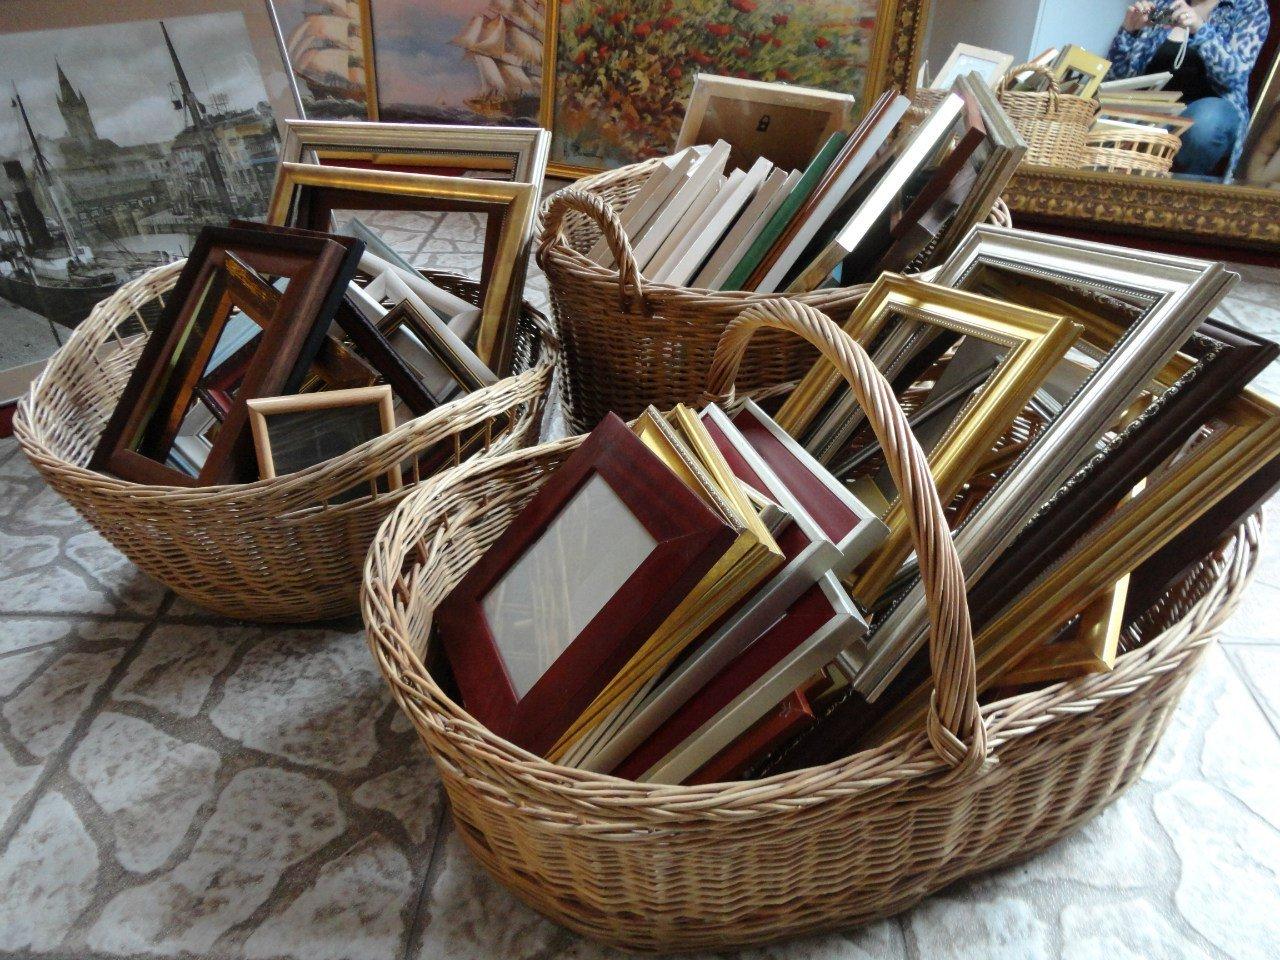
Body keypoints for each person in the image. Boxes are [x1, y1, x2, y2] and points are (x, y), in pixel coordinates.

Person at [1108, 0, 1269, 178]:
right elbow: (1115, 79)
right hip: (1150, 113)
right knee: (1100, 111)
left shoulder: (1249, 7)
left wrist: (1200, 29)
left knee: (1207, 121)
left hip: (1205, 117)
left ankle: (1181, 189)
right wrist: (1129, 31)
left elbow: (1234, 76)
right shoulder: (1164, 3)